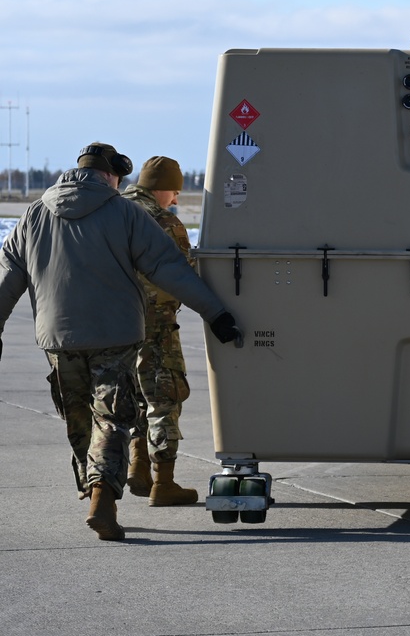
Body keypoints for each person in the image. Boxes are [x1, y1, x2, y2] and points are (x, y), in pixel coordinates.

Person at [0, 143, 241, 541]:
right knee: (111, 418)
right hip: (115, 337)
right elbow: (168, 267)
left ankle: (95, 488)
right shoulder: (125, 213)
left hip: (58, 339)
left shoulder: (33, 215)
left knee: (79, 421)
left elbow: (7, 278)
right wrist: (215, 313)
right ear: (111, 174)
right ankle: (103, 499)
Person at [121, 156, 201, 505]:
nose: (177, 199)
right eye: (175, 191)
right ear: (162, 188)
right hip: (155, 325)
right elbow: (183, 277)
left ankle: (136, 466)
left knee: (130, 397)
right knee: (164, 397)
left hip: (113, 324)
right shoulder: (164, 222)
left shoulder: (115, 212)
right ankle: (163, 482)